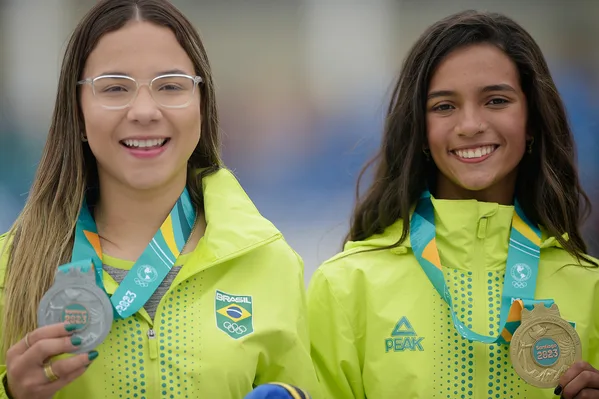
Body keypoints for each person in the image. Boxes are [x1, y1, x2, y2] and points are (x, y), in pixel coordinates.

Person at [0, 1, 321, 398]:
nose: (145, 111)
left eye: (170, 86)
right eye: (115, 88)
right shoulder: (11, 270)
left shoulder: (269, 261)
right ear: (77, 110)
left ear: (202, 105)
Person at [307, 10, 599, 399]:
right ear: (420, 130)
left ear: (531, 120)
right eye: (444, 106)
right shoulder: (347, 285)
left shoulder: (590, 285)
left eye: (496, 100)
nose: (470, 124)